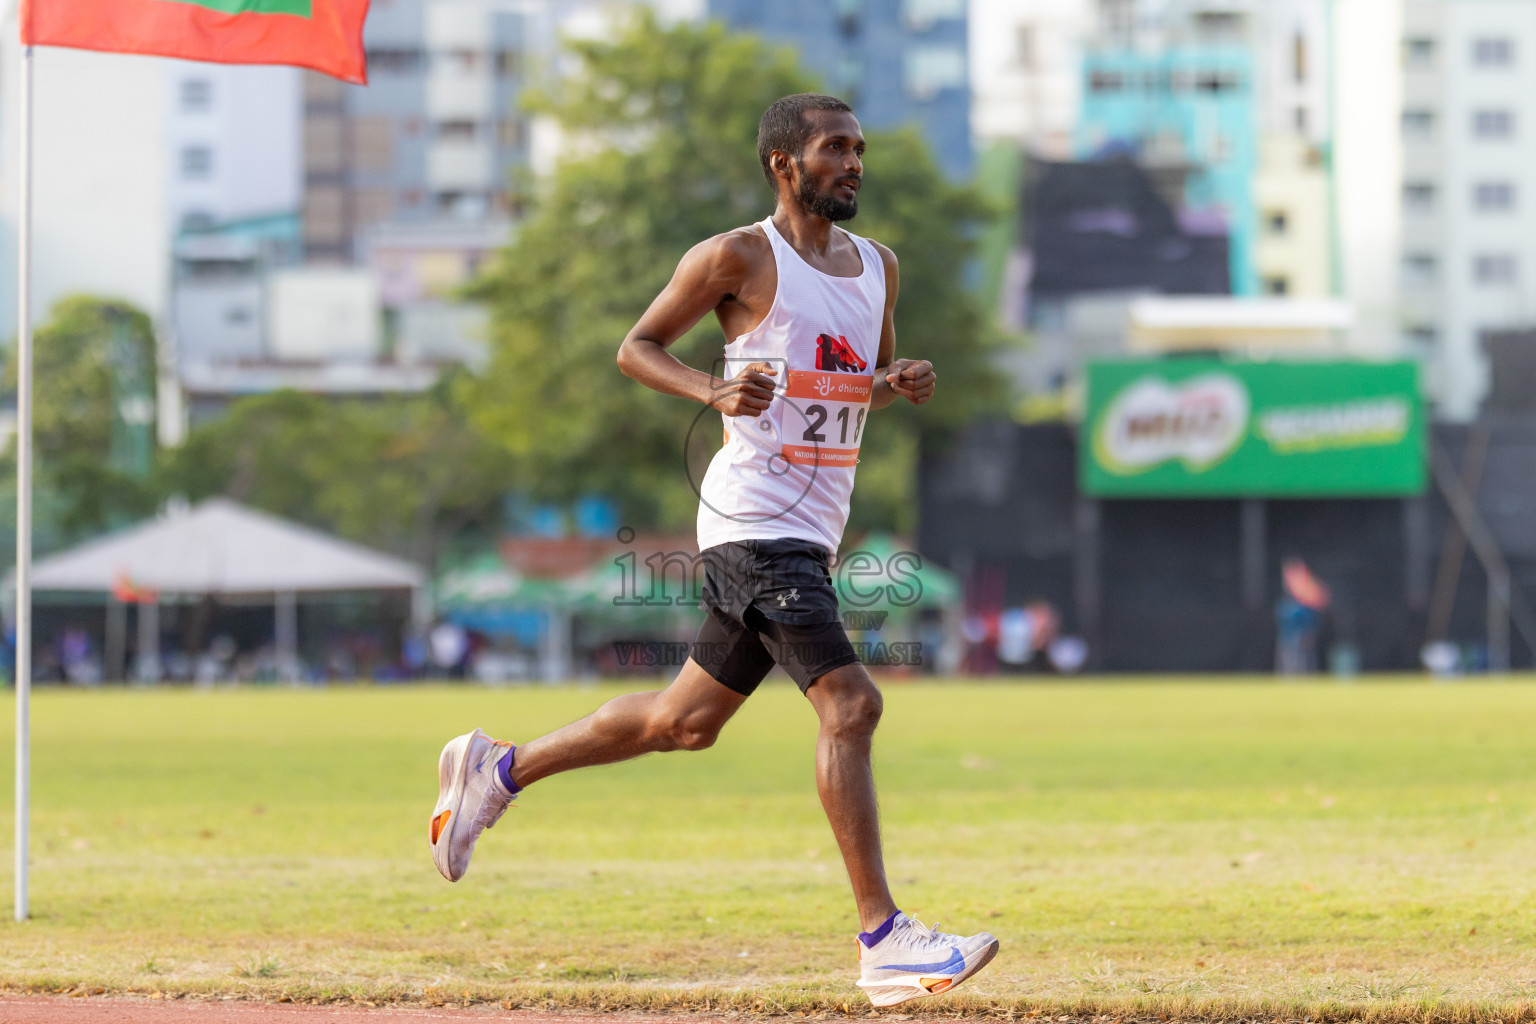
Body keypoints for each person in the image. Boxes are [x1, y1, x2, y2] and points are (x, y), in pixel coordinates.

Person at [428, 93, 998, 1007]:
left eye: (859, 149)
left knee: (682, 724)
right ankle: (884, 939)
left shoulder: (879, 268)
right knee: (851, 705)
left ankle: (499, 769)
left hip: (811, 531)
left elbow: (861, 389)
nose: (853, 164)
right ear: (784, 163)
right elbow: (636, 346)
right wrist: (712, 389)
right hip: (751, 520)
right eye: (834, 149)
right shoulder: (737, 256)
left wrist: (898, 382)